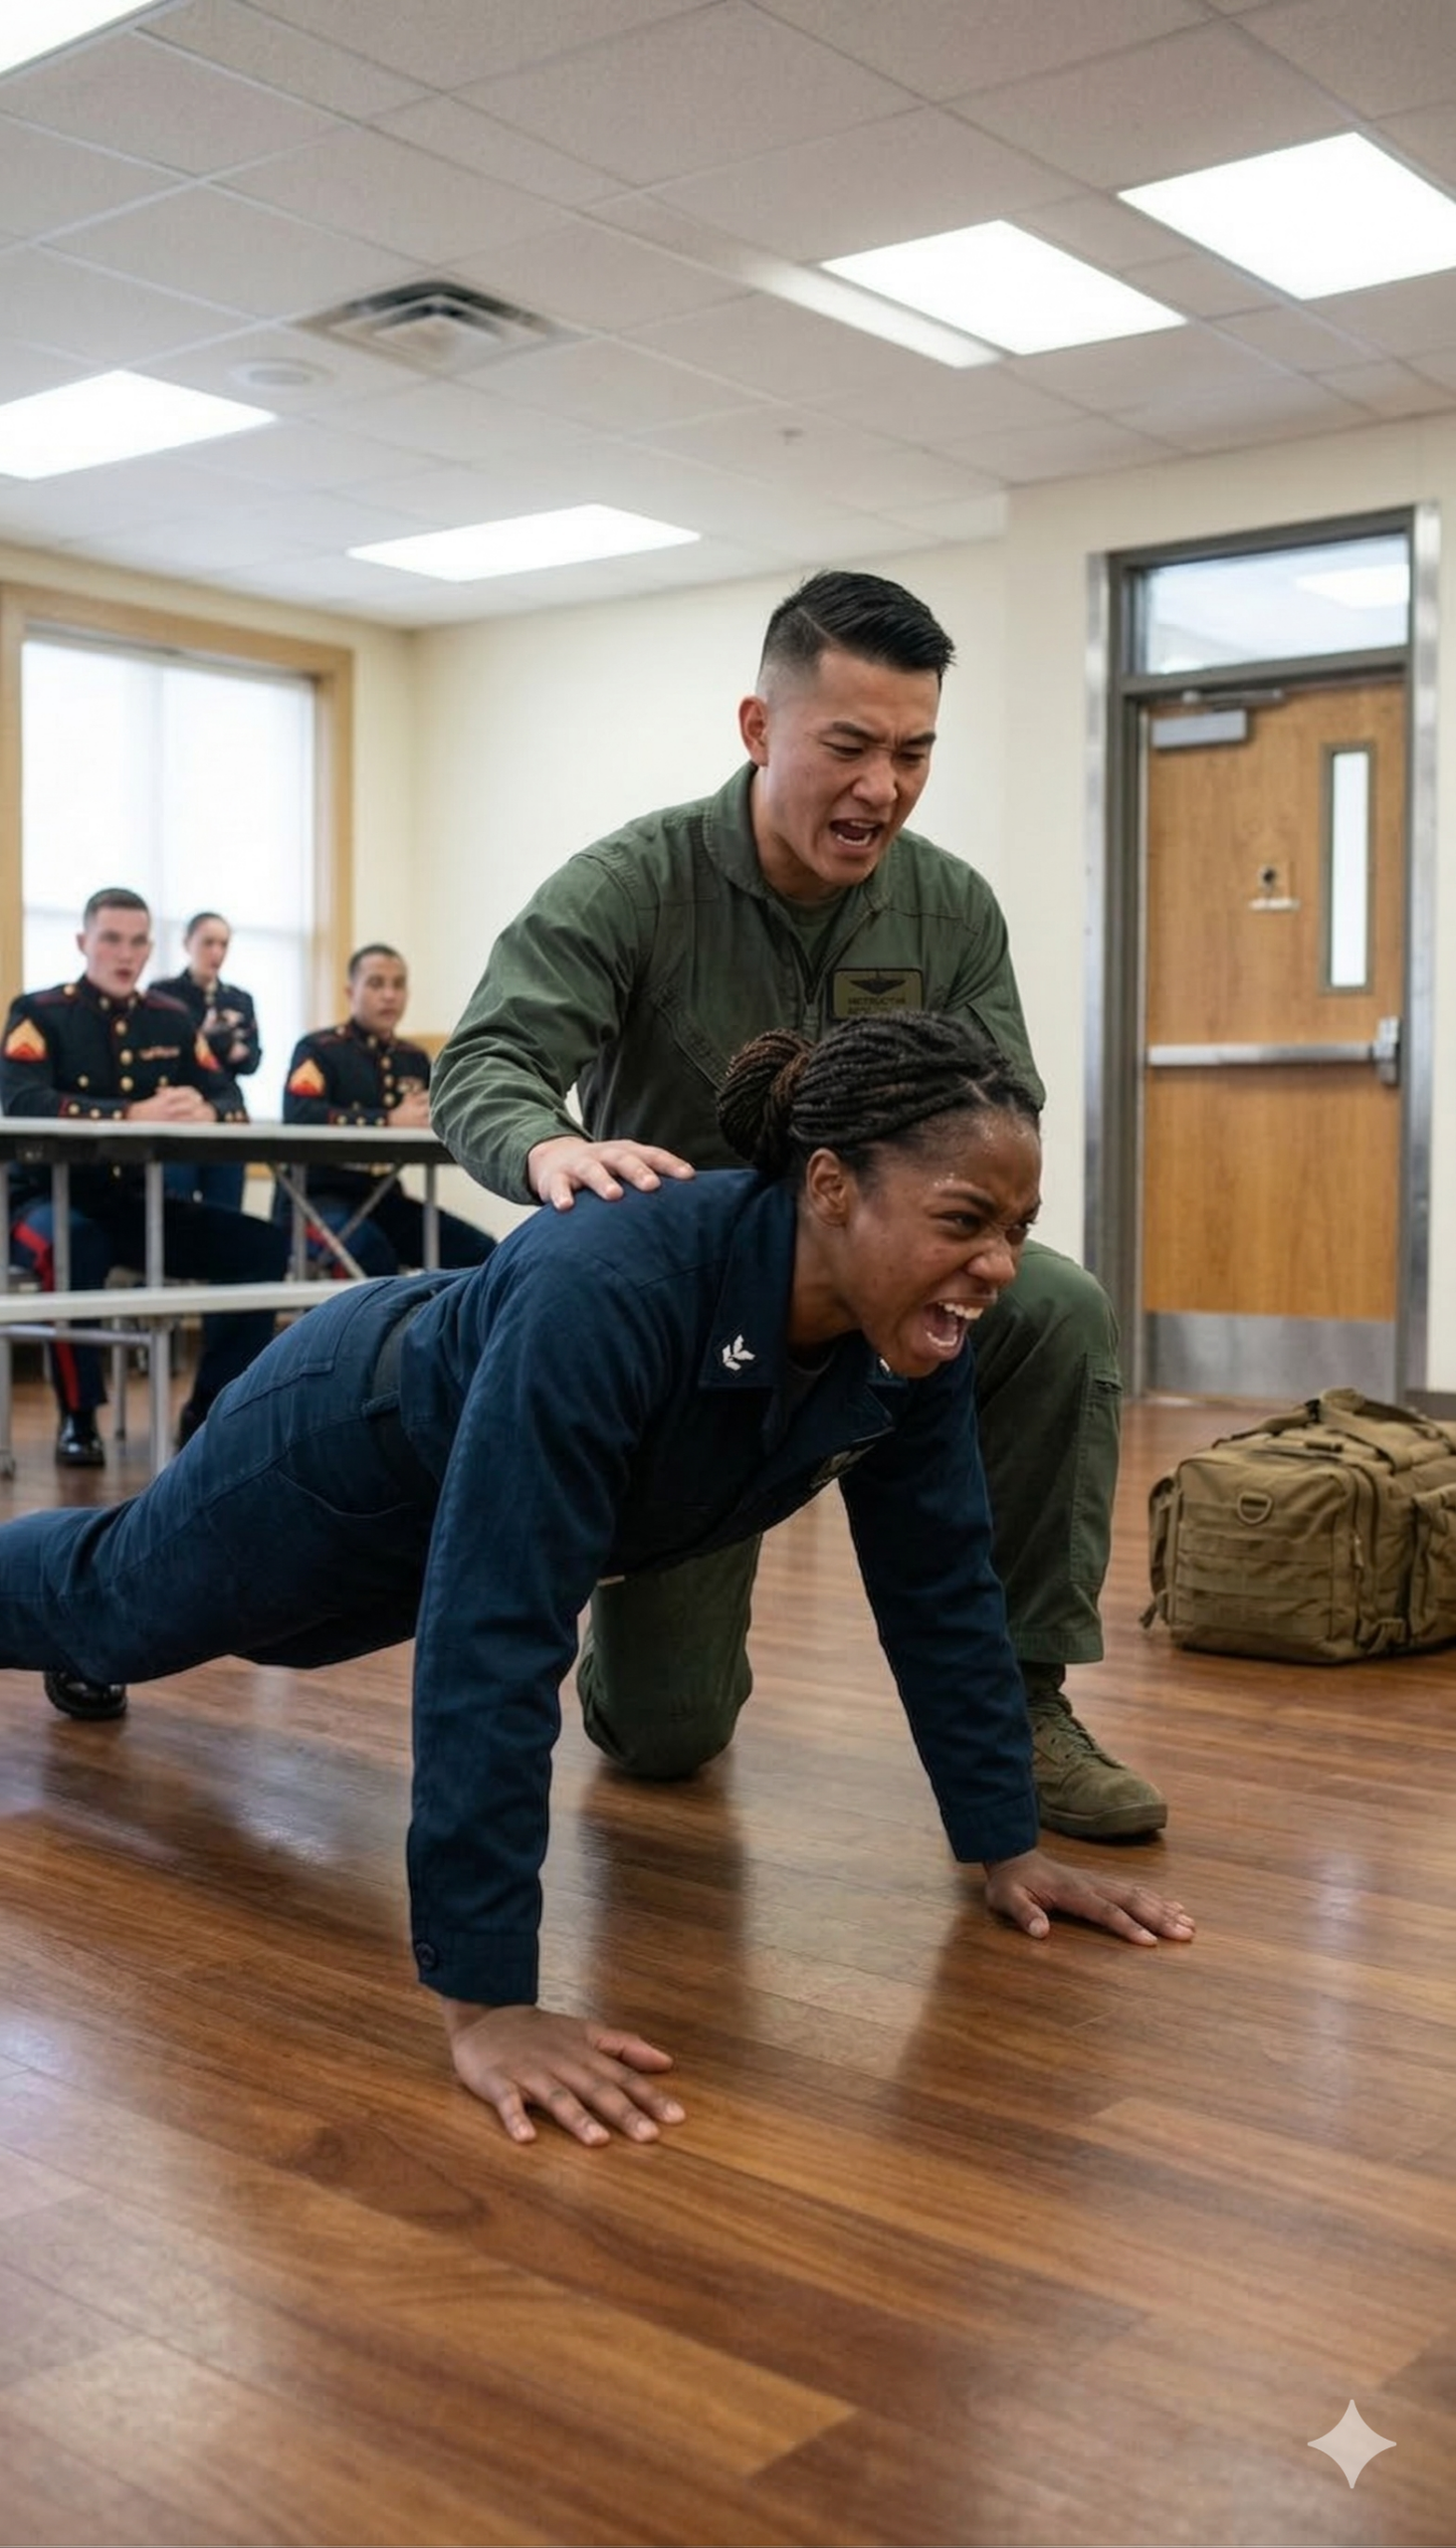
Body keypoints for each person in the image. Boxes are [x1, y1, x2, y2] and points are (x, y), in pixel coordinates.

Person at [0, 1014, 1194, 2147]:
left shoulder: (908, 1334)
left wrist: (1005, 1843)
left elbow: (940, 1582)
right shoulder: (612, 1291)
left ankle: (95, 1641)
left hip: (442, 1502)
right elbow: (500, 1628)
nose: (994, 1265)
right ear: (830, 1187)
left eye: (1017, 1229)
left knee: (237, 1634)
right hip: (332, 1447)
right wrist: (487, 1999)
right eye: (963, 1220)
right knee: (121, 1602)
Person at [430, 569, 1162, 1844]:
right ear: (759, 729)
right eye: (849, 746)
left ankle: (1026, 1697)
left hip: (880, 1293)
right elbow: (483, 1063)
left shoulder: (950, 907)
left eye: (913, 750)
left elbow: (1006, 1111)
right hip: (697, 1333)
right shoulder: (631, 883)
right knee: (664, 1740)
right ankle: (643, 1614)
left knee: (1051, 1307)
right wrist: (547, 1148)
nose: (882, 786)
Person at [2, 886, 289, 1464]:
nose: (123, 954)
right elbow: (21, 1100)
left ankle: (210, 1409)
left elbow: (228, 1092)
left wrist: (208, 1110)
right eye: (110, 939)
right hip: (40, 1200)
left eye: (136, 942)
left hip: (132, 1201)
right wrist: (126, 1114)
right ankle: (78, 1417)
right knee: (74, 1242)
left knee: (260, 1245)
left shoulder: (170, 1020)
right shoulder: (39, 1013)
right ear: (84, 942)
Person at [278, 944, 495, 1276]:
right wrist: (387, 1121)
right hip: (315, 1200)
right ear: (351, 991)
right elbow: (299, 1114)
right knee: (372, 1254)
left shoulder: (414, 1059)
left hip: (383, 1198)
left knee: (481, 1252)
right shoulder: (319, 1050)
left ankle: (441, 1329)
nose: (390, 995)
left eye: (398, 984)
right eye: (376, 984)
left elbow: (441, 1115)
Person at [152, 910, 261, 1212]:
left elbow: (251, 1062)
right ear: (188, 943)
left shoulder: (239, 999)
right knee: (177, 1207)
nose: (216, 953)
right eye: (208, 943)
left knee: (226, 1209)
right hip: (179, 1113)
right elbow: (162, 1053)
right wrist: (211, 1038)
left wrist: (228, 1047)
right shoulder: (163, 994)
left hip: (224, 1113)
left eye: (224, 944)